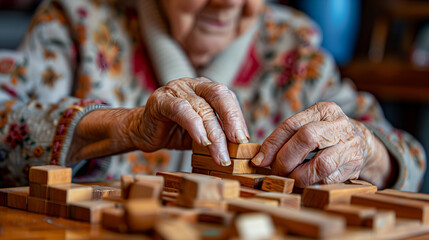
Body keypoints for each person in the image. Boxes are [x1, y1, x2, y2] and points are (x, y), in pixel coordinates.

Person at [0, 0, 425, 191]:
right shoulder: (77, 21)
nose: (227, 3)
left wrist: (366, 149)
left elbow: (408, 155)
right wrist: (126, 126)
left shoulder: (293, 43)